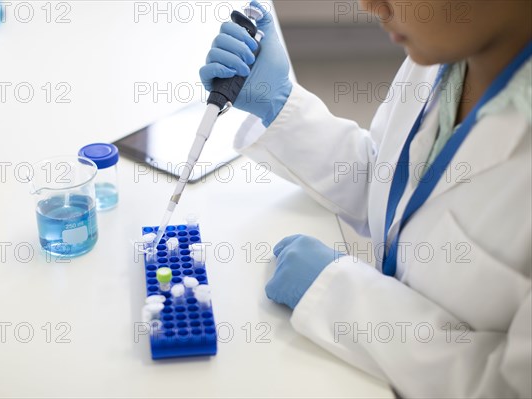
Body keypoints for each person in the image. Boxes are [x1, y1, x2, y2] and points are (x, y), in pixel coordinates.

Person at [200, 0, 531, 397]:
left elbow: (508, 387)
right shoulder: (441, 55)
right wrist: (278, 101)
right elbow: (395, 186)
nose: (369, 5)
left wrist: (341, 297)